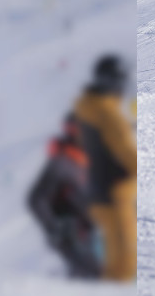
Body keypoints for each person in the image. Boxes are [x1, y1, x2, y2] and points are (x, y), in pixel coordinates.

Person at [72, 55, 137, 281]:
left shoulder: (85, 108)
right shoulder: (107, 114)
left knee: (113, 259)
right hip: (116, 194)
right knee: (124, 263)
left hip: (95, 191)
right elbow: (126, 153)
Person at [27, 114, 100, 279]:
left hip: (90, 232)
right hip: (72, 234)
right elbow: (35, 199)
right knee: (90, 278)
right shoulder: (62, 162)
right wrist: (54, 228)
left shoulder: (84, 159)